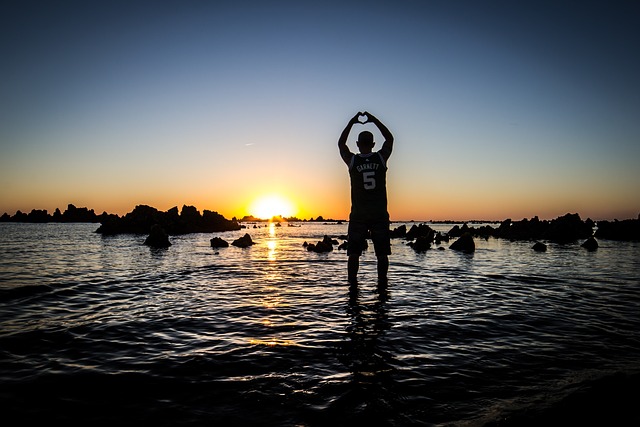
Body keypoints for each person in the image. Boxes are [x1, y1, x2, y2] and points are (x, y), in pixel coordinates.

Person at [338, 111, 394, 284]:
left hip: (358, 216)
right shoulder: (380, 157)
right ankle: (382, 286)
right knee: (382, 254)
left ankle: (352, 287)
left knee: (354, 254)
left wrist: (352, 122)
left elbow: (341, 144)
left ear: (357, 144)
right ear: (373, 143)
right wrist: (374, 120)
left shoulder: (353, 161)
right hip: (379, 215)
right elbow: (390, 139)